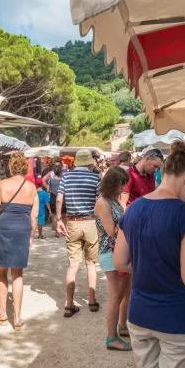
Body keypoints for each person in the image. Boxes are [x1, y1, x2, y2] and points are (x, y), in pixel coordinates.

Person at [114, 140, 185, 368]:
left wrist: (150, 264)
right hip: (177, 318)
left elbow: (120, 262)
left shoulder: (134, 208)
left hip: (140, 314)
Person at [0, 153, 38, 330]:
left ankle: (2, 314)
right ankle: (17, 318)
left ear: (10, 168)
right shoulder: (32, 188)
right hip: (22, 229)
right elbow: (34, 216)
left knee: (1, 272)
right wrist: (31, 235)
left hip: (4, 228)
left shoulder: (1, 184)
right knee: (18, 274)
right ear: (25, 168)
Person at [56, 149, 100, 317]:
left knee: (73, 265)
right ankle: (92, 301)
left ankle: (68, 305)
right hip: (90, 222)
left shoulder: (66, 176)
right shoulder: (95, 177)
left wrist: (59, 219)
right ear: (90, 163)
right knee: (90, 264)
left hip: (73, 223)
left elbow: (59, 198)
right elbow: (100, 200)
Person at [95, 166, 131, 351]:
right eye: (121, 184)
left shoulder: (112, 201)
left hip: (119, 252)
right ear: (112, 183)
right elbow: (112, 231)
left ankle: (122, 327)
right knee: (115, 297)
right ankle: (112, 337)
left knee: (125, 294)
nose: (123, 188)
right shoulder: (103, 202)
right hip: (110, 253)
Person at [42, 159, 67, 237]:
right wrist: (48, 188)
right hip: (58, 196)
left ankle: (59, 231)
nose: (57, 167)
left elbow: (44, 180)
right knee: (60, 215)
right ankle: (60, 231)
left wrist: (48, 188)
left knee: (59, 215)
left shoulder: (60, 175)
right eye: (56, 165)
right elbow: (43, 180)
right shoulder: (63, 175)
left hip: (57, 196)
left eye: (58, 165)